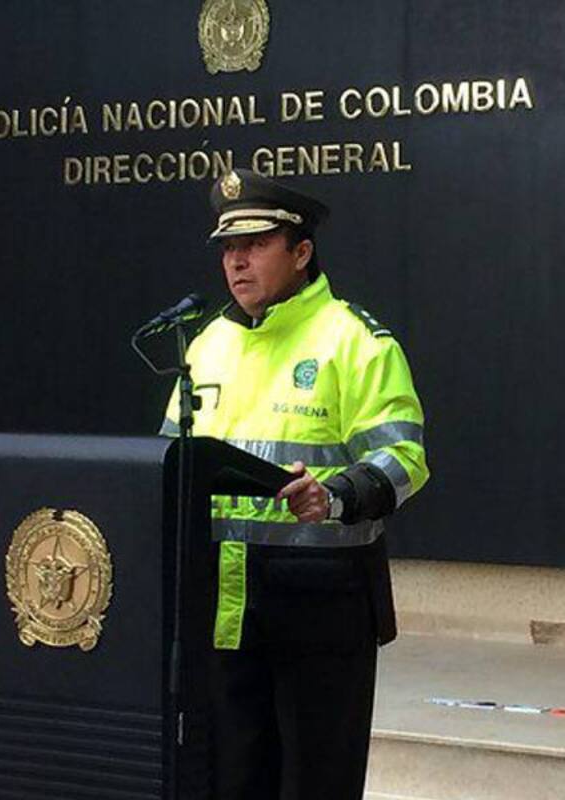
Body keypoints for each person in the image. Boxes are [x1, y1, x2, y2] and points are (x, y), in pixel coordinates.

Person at [160, 168, 429, 800]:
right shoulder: (206, 346)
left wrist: (334, 496)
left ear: (302, 252)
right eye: (228, 248)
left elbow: (405, 459)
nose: (237, 262)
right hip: (222, 612)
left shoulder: (355, 341)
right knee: (227, 783)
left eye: (254, 245)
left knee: (314, 785)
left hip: (320, 613)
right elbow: (169, 463)